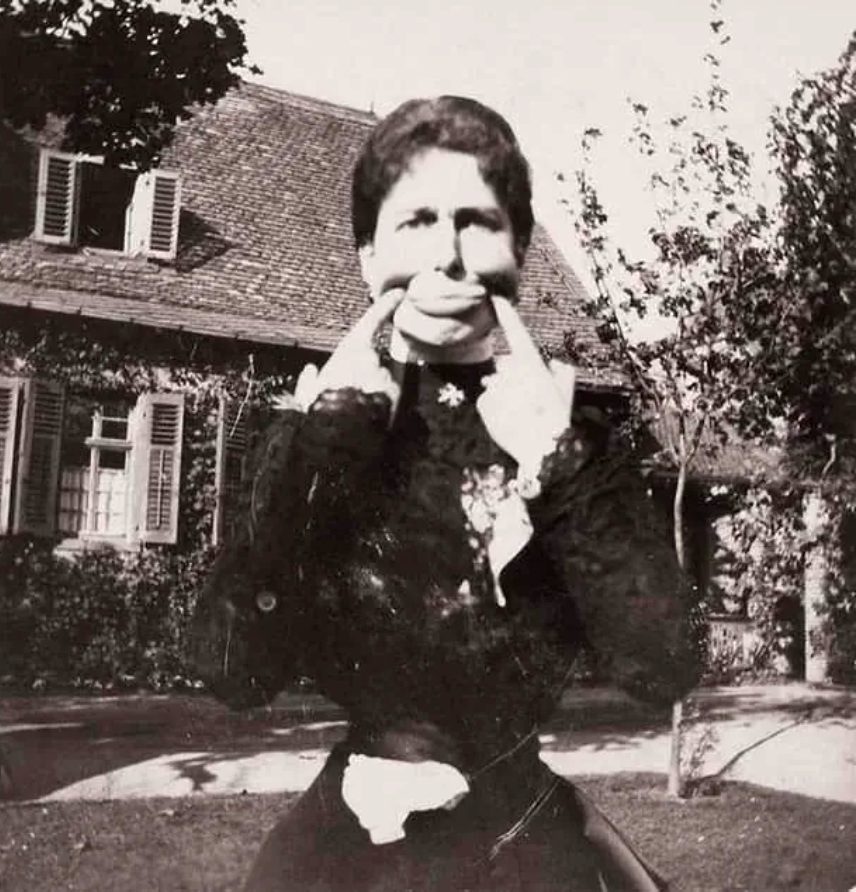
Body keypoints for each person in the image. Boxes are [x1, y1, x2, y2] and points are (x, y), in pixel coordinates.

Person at [190, 95, 701, 891]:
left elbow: (664, 666)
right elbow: (234, 675)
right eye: (416, 222)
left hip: (530, 848)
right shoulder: (315, 431)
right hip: (345, 853)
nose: (450, 255)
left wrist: (557, 461)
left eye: (479, 222)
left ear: (521, 249)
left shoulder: (574, 438)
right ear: (365, 254)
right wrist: (320, 455)